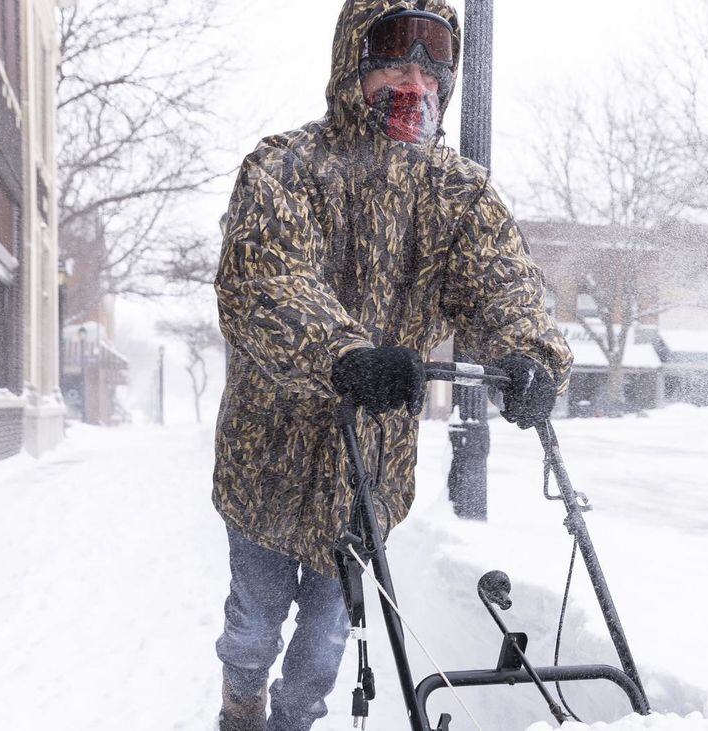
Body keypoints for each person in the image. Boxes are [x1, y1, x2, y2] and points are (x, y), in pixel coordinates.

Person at [210, 1, 573, 729]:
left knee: (321, 649)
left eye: (428, 67)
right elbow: (264, 283)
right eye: (393, 63)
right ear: (354, 65)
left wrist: (527, 354)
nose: (411, 82)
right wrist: (344, 355)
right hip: (268, 463)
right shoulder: (284, 169)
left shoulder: (458, 195)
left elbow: (500, 281)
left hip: (366, 474)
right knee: (253, 629)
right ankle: (241, 703)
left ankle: (293, 722)